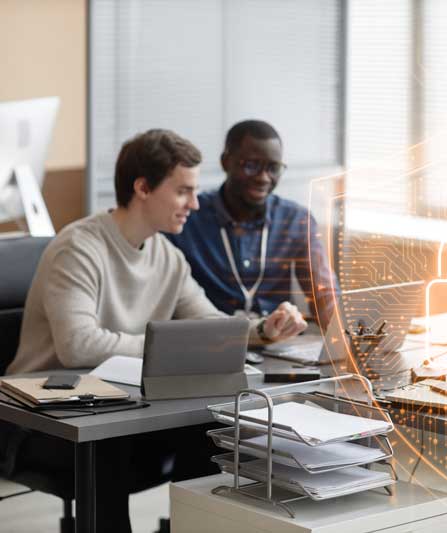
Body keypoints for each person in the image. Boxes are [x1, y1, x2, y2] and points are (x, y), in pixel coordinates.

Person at [3, 129, 306, 532]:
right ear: (143, 187)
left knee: (213, 432)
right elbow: (78, 346)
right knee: (106, 446)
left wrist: (263, 329)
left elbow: (210, 324)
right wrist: (167, 348)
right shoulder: (78, 248)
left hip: (121, 411)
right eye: (183, 192)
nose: (194, 204)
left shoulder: (168, 257)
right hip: (42, 423)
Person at [166, 119, 337, 329]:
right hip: (214, 343)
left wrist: (347, 339)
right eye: (251, 165)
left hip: (279, 346)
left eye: (273, 168)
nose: (264, 178)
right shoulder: (187, 219)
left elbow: (325, 295)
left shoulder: (295, 220)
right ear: (226, 162)